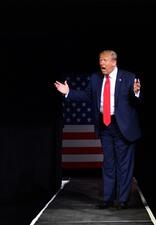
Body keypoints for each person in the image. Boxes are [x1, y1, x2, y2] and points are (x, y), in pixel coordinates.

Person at [54, 50, 141, 209]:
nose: (102, 63)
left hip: (124, 127)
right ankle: (107, 199)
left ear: (114, 62)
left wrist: (136, 92)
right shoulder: (95, 78)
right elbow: (87, 96)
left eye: (105, 60)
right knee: (108, 163)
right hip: (105, 126)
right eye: (100, 60)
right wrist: (69, 93)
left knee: (124, 165)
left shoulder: (128, 77)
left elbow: (134, 99)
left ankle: (122, 201)